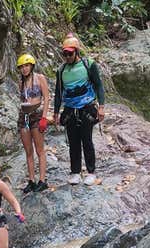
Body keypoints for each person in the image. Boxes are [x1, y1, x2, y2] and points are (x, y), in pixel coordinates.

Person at [53, 33, 106, 186]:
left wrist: (101, 107)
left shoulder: (88, 64)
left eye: (70, 53)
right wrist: (56, 112)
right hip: (70, 109)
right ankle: (75, 172)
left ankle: (91, 172)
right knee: (73, 142)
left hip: (87, 108)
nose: (67, 56)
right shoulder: (61, 70)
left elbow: (98, 85)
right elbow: (58, 92)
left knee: (87, 140)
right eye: (65, 54)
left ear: (76, 51)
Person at [17, 54, 51, 194]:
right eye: (22, 67)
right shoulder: (21, 83)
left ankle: (42, 180)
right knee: (28, 150)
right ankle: (31, 180)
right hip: (24, 115)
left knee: (39, 149)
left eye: (26, 66)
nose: (24, 69)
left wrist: (44, 117)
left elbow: (47, 97)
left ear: (31, 66)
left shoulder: (40, 78)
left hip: (36, 114)